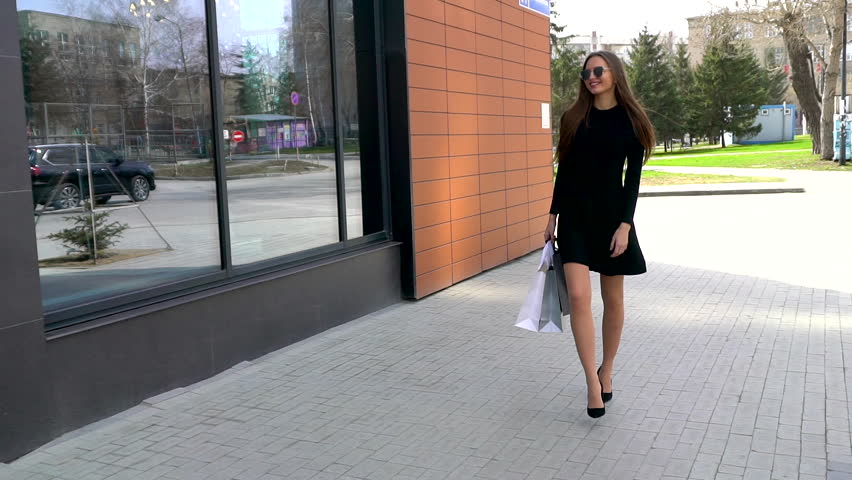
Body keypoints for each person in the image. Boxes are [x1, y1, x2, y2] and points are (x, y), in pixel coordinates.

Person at [544, 51, 655, 418]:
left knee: (613, 299)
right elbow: (565, 171)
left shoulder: (632, 121)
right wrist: (552, 215)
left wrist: (625, 225)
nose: (591, 77)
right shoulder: (573, 117)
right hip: (575, 217)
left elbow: (632, 180)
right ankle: (592, 383)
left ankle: (606, 369)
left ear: (614, 74)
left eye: (598, 70)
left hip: (611, 219)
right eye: (586, 72)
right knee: (578, 296)